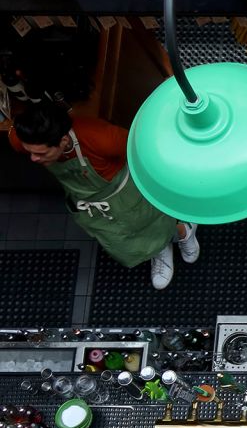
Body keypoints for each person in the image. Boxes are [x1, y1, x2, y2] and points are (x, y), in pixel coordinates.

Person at [8, 105, 200, 290]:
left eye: (40, 153)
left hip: (126, 192)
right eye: (30, 152)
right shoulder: (23, 139)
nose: (33, 159)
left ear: (64, 140)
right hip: (92, 205)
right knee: (123, 237)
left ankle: (184, 231)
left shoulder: (103, 139)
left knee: (156, 219)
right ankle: (159, 250)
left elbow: (145, 150)